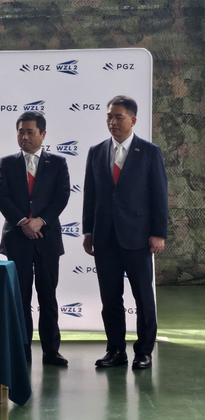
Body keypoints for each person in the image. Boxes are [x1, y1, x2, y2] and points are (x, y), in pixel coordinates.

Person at [82, 95, 168, 370]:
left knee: (143, 298)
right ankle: (115, 350)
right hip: (105, 237)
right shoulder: (96, 151)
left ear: (133, 119)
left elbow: (159, 195)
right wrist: (88, 231)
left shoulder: (149, 151)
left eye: (118, 116)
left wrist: (158, 233)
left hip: (138, 237)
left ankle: (144, 351)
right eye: (109, 116)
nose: (113, 121)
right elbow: (91, 195)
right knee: (110, 299)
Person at [0, 112, 70, 366]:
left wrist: (41, 220)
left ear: (43, 135)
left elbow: (61, 197)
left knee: (48, 296)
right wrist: (23, 223)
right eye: (20, 132)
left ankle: (51, 351)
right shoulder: (6, 163)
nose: (24, 137)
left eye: (30, 132)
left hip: (47, 239)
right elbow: (1, 198)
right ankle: (21, 350)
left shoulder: (57, 163)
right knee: (20, 298)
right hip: (17, 238)